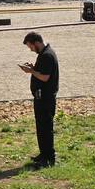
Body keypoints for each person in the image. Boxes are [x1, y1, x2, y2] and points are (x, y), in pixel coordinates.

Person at [19, 32, 59, 168]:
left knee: (46, 128)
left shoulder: (47, 55)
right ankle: (44, 154)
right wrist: (34, 68)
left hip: (46, 98)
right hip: (41, 97)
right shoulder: (43, 54)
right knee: (41, 127)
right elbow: (42, 72)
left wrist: (31, 72)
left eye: (30, 46)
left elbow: (45, 77)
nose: (30, 49)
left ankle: (49, 157)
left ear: (36, 43)